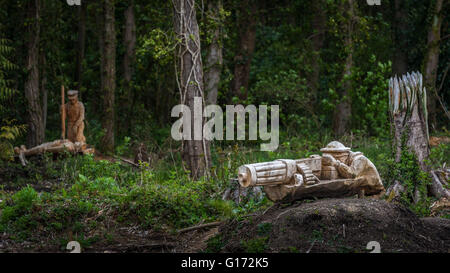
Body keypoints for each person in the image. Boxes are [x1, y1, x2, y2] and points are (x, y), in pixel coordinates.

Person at [320, 141, 385, 197]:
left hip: (374, 192)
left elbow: (352, 175)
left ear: (345, 154)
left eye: (338, 158)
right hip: (356, 188)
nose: (339, 160)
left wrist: (335, 163)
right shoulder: (346, 160)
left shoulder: (360, 159)